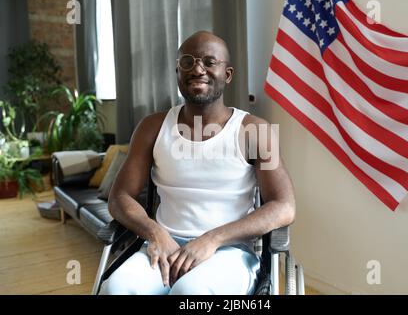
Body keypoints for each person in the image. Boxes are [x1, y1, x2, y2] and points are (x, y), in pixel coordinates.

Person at [99, 31, 296, 295]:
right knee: (118, 288)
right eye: (187, 62)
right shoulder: (152, 127)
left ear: (227, 74)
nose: (198, 69)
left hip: (228, 252)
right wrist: (155, 233)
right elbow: (120, 196)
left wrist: (211, 239)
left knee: (190, 292)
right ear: (178, 72)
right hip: (164, 246)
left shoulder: (255, 130)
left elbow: (283, 206)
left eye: (209, 61)